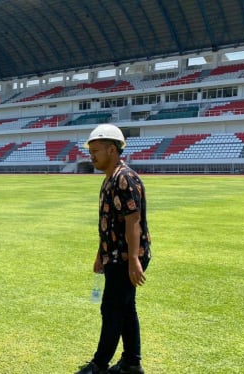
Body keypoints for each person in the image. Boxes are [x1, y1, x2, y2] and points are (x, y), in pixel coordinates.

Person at [77, 124, 151, 374]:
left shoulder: (124, 178)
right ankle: (131, 362)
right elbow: (108, 223)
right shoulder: (110, 178)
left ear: (112, 149)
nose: (92, 156)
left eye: (96, 150)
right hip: (115, 255)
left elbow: (133, 220)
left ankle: (99, 364)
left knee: (111, 308)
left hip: (126, 257)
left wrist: (132, 259)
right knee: (125, 307)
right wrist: (101, 254)